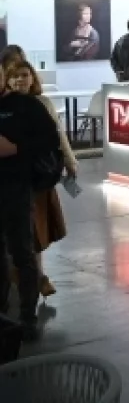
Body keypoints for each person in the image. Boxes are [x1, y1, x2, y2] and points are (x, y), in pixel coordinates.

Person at [5, 60, 77, 299]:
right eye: (14, 75)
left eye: (25, 75)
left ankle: (38, 277)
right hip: (13, 179)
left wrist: (69, 160)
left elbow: (57, 135)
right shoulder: (6, 106)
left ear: (33, 77)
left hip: (38, 178)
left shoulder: (42, 103)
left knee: (36, 232)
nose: (20, 80)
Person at [0, 72, 61, 340]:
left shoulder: (25, 106)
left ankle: (27, 318)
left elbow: (50, 140)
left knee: (22, 253)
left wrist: (16, 148)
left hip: (15, 190)